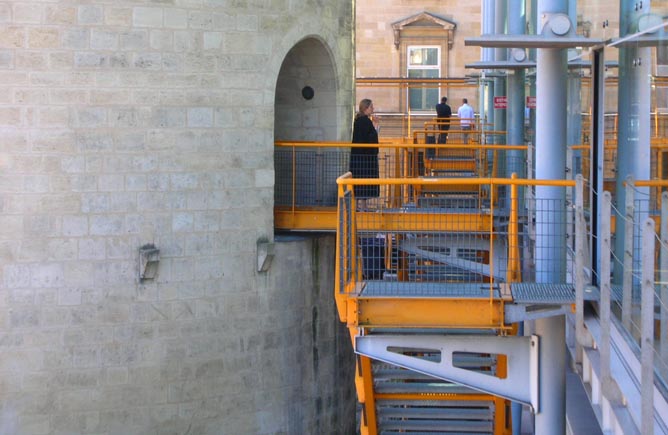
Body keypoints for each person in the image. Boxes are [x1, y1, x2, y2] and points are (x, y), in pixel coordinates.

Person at [350, 99, 380, 209]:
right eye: (371, 107)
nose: (373, 109)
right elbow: (372, 138)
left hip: (357, 156)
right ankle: (363, 207)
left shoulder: (358, 120)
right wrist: (376, 125)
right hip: (365, 157)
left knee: (358, 181)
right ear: (366, 108)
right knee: (364, 180)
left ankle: (357, 206)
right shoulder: (366, 122)